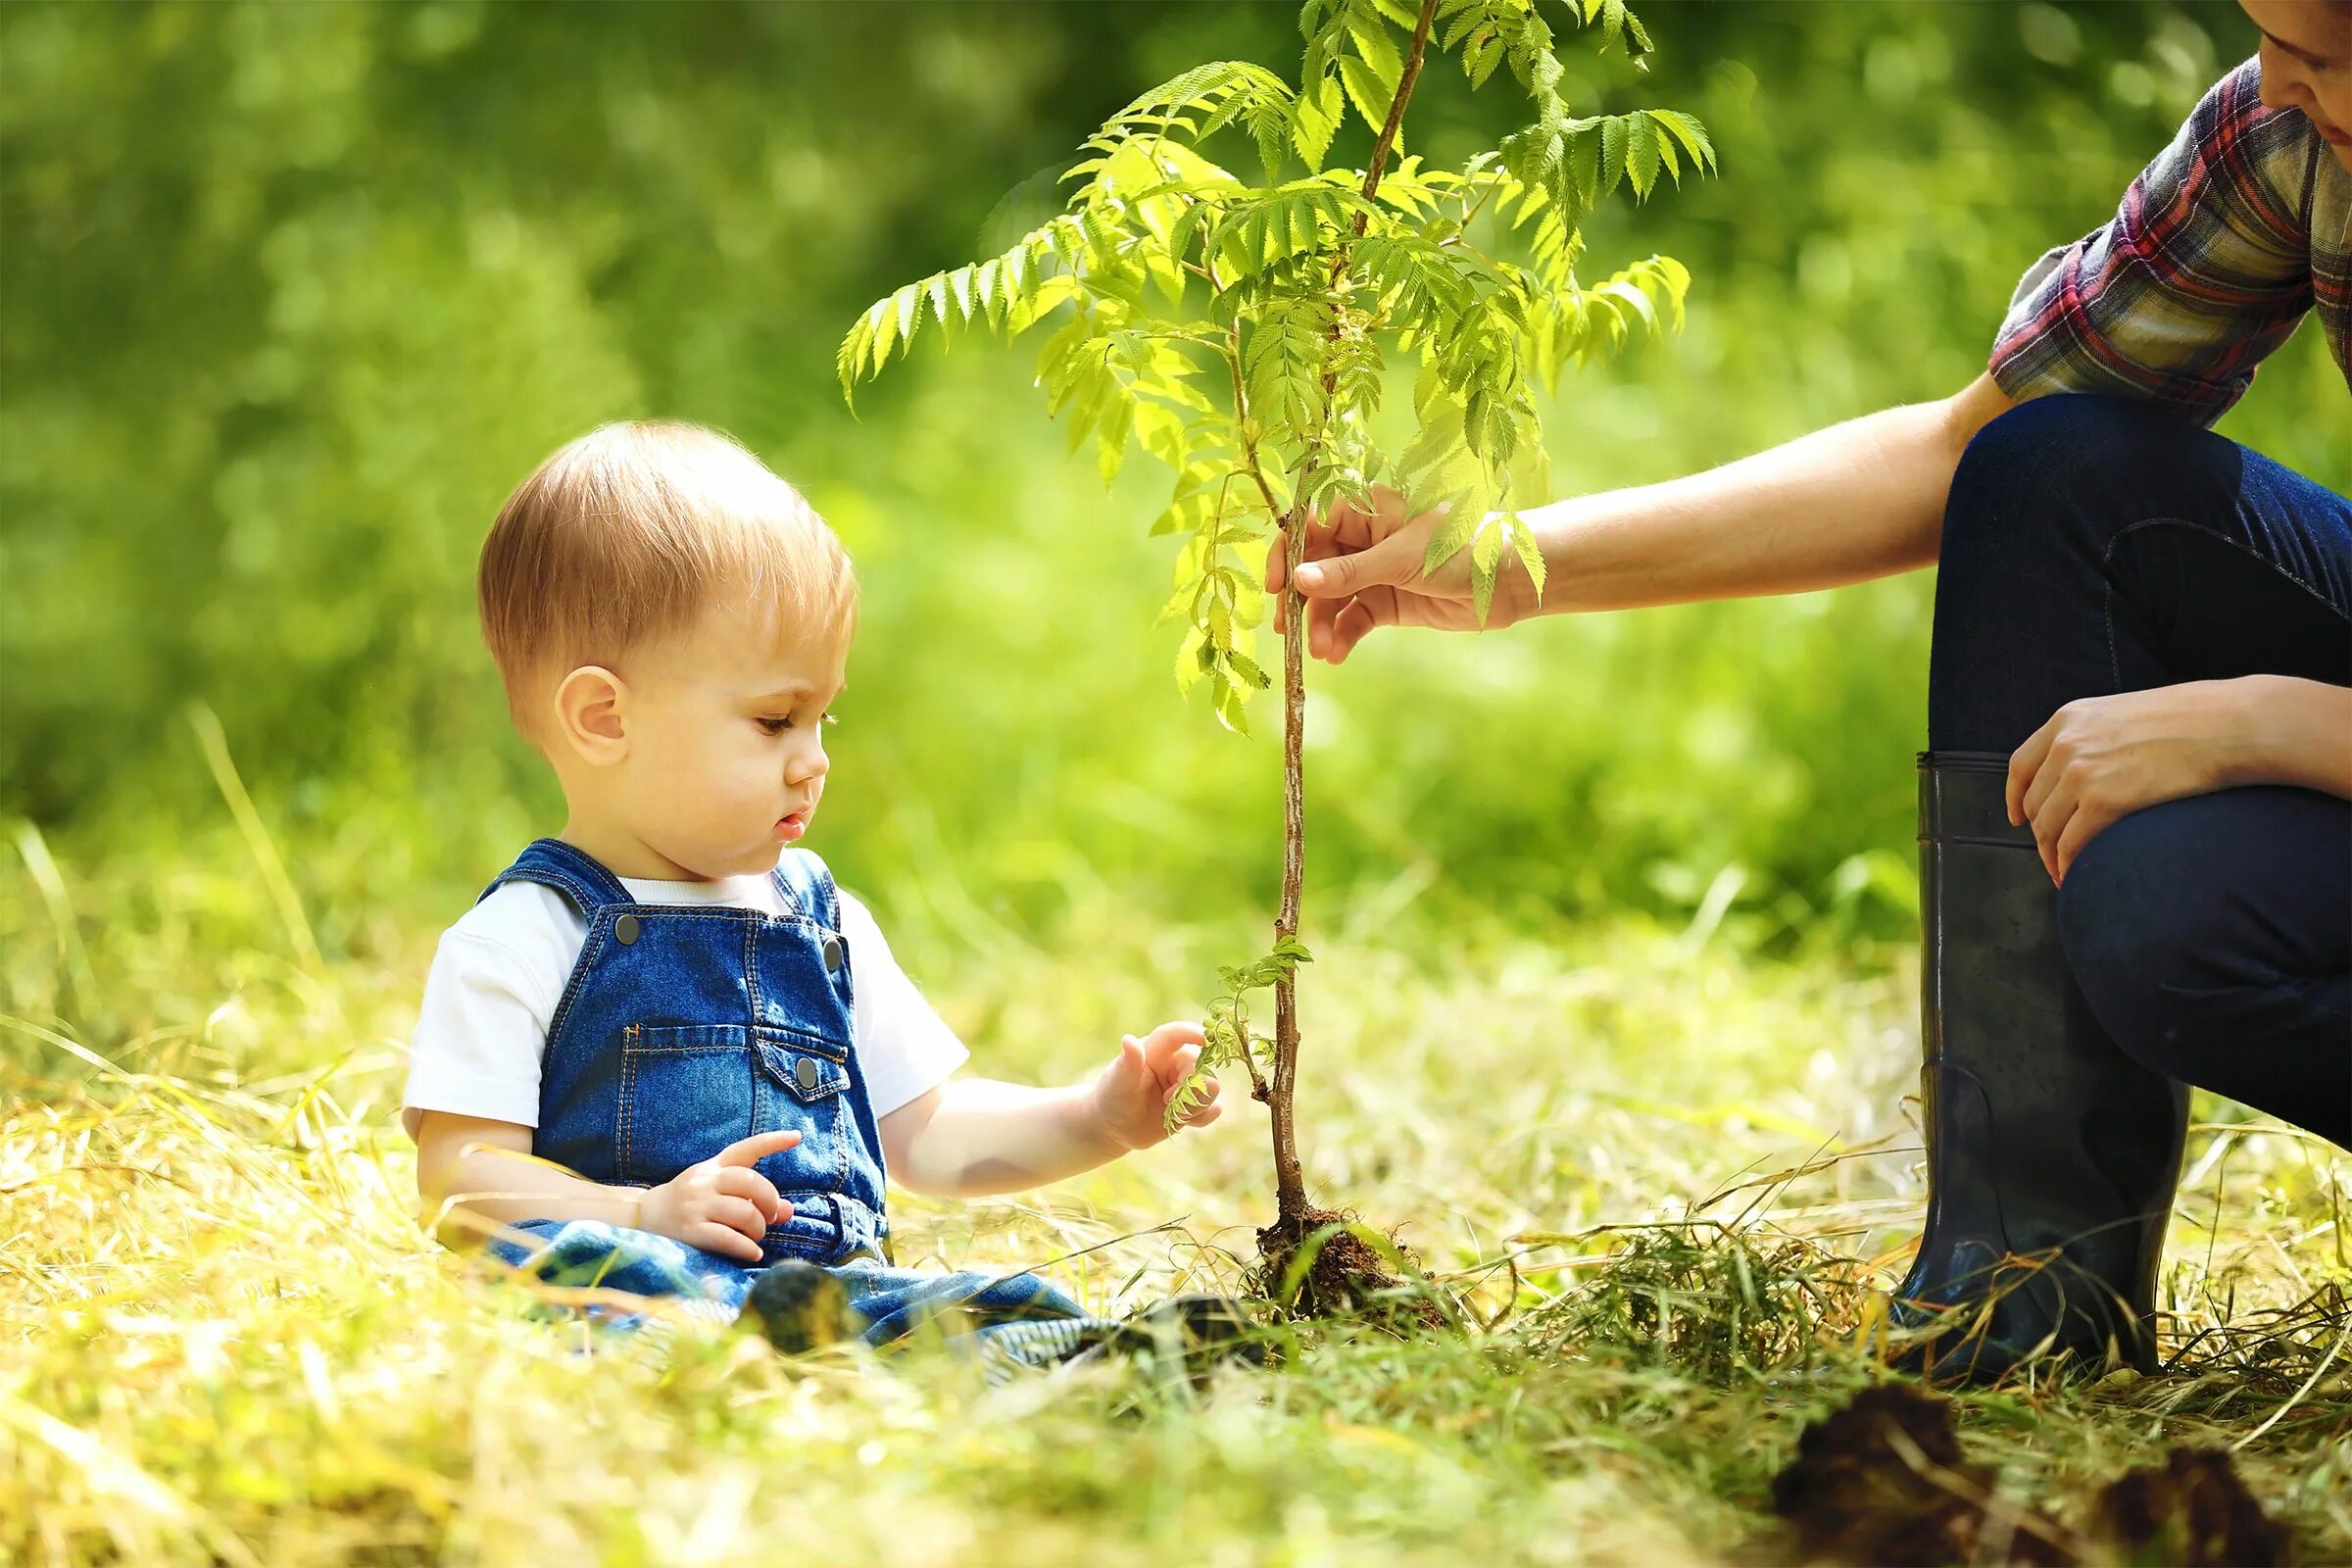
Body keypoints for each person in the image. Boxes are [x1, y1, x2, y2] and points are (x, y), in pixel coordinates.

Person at [1270, 2, 2350, 1381]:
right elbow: (1966, 446)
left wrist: (2270, 722)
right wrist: (1501, 564)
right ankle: (2017, 1298)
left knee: (2170, 923)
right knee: (2052, 473)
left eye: (2324, 44)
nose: (2275, 76)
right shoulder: (2290, 132)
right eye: (2269, 29)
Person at [405, 420, 1244, 1375]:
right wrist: (641, 1211)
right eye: (774, 720)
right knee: (614, 1296)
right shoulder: (528, 933)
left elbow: (925, 1135)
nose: (815, 760)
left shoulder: (820, 918)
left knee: (989, 1304)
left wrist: (1098, 1116)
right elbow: (460, 1179)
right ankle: (754, 1358)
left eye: (821, 716)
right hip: (637, 1283)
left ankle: (1085, 1366)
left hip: (831, 1287)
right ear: (606, 718)